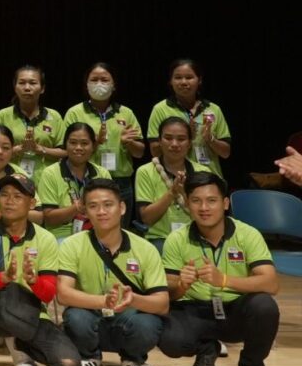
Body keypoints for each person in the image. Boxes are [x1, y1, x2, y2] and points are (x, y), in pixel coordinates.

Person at [160, 172, 280, 366]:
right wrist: (182, 286)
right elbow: (169, 293)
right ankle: (207, 348)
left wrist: (223, 280)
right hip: (194, 310)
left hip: (235, 311)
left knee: (265, 306)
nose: (204, 207)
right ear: (187, 204)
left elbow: (271, 283)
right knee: (169, 339)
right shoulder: (176, 238)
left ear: (225, 203)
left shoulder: (247, 234)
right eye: (196, 201)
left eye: (212, 200)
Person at [0, 175, 80, 366]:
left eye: (17, 196)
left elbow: (49, 293)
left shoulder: (46, 239)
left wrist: (34, 281)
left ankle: (20, 344)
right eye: (4, 195)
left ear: (32, 203)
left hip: (28, 313)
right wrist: (2, 278)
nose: (9, 201)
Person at [56, 178, 169, 366]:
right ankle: (89, 356)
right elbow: (63, 294)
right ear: (85, 211)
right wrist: (103, 301)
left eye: (108, 204)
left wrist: (132, 299)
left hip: (127, 317)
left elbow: (162, 303)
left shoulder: (145, 248)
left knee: (149, 323)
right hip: (91, 316)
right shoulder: (72, 244)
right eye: (93, 206)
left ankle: (133, 360)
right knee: (75, 317)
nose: (101, 211)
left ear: (122, 207)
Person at [62, 62, 143, 206]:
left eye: (104, 80)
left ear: (114, 85)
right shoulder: (75, 112)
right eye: (94, 80)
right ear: (86, 84)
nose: (99, 84)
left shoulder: (126, 113)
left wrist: (128, 143)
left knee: (119, 228)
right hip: (87, 178)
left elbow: (139, 153)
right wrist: (96, 143)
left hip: (121, 182)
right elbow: (67, 151)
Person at [147, 59, 231, 178]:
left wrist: (210, 139)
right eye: (178, 77)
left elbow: (226, 153)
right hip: (175, 177)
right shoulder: (160, 109)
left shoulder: (213, 109)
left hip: (210, 177)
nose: (183, 82)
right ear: (170, 81)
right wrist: (185, 137)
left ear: (199, 80)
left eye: (189, 77)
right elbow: (155, 152)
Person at [35, 122, 107, 241]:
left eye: (84, 143)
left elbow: (110, 211)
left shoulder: (102, 173)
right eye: (73, 143)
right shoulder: (50, 173)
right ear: (65, 145)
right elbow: (49, 218)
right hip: (61, 236)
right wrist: (78, 207)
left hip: (97, 233)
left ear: (93, 146)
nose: (78, 148)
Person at [0, 65, 66, 179]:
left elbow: (65, 152)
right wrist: (18, 150)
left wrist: (41, 149)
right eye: (21, 83)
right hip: (11, 179)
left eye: (32, 83)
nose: (27, 87)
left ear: (42, 88)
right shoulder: (3, 115)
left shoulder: (54, 116)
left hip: (46, 181)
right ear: (15, 87)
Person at [136, 116, 196, 249]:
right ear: (159, 142)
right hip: (159, 239)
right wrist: (172, 193)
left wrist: (184, 195)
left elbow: (207, 214)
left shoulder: (202, 171)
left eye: (181, 139)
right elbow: (147, 218)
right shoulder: (145, 171)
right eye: (168, 138)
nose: (174, 144)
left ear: (190, 143)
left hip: (195, 237)